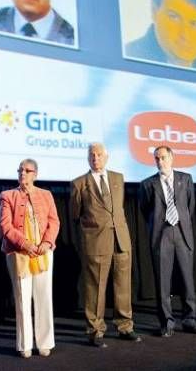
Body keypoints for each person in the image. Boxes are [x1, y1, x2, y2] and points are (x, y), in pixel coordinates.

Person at [70, 143, 141, 347]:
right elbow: (75, 214)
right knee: (95, 288)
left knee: (123, 286)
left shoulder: (118, 178)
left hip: (121, 239)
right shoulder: (79, 183)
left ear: (106, 157)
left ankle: (125, 326)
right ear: (87, 158)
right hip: (96, 242)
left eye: (99, 154)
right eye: (91, 154)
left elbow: (118, 209)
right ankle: (95, 330)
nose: (95, 157)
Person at [138, 146, 196, 337]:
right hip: (161, 236)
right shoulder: (147, 184)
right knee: (163, 282)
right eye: (157, 159)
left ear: (172, 157)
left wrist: (180, 222)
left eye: (163, 158)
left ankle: (189, 320)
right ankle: (166, 322)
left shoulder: (185, 179)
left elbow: (189, 207)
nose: (160, 162)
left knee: (187, 279)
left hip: (182, 233)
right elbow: (145, 210)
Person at [0, 158, 60, 358]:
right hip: (19, 253)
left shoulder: (46, 194)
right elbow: (5, 227)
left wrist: (46, 243)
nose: (23, 173)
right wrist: (26, 245)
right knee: (22, 299)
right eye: (20, 170)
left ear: (35, 174)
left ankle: (44, 342)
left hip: (43, 253)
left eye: (27, 170)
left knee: (44, 297)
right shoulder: (7, 195)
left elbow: (54, 222)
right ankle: (25, 344)